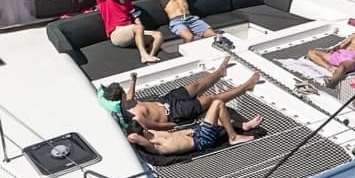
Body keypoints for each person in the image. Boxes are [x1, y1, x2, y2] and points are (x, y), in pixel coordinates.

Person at [102, 57, 260, 130]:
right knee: (211, 99)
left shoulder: (126, 102)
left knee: (196, 85)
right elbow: (159, 126)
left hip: (167, 100)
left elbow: (130, 97)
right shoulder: (137, 118)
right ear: (120, 96)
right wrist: (178, 124)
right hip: (175, 112)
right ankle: (246, 86)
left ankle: (219, 73)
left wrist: (133, 81)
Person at [125, 99, 262, 155]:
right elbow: (132, 137)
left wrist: (189, 130)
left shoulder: (152, 134)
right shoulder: (154, 145)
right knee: (217, 103)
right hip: (202, 140)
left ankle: (244, 125)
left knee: (215, 118)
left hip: (196, 133)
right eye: (144, 129)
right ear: (141, 135)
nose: (146, 128)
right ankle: (233, 137)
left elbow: (174, 135)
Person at [96, 0, 162, 64]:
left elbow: (135, 15)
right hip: (117, 33)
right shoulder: (103, 0)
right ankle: (144, 55)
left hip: (131, 32)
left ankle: (150, 56)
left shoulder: (125, 0)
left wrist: (140, 26)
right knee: (137, 28)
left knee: (158, 35)